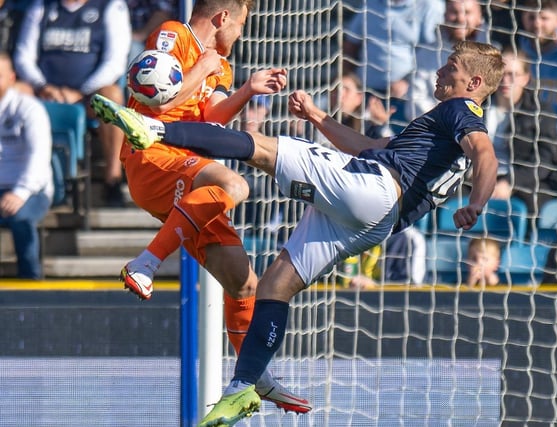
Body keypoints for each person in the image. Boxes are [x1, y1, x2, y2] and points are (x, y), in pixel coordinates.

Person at [90, 39, 504, 426]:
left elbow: (485, 154)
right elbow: (367, 146)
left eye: (451, 67)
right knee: (275, 285)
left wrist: (476, 204)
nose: (440, 72)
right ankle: (242, 388)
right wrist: (318, 117)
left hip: (373, 189)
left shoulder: (461, 110)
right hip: (376, 221)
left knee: (262, 147)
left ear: (474, 82)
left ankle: (154, 131)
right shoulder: (439, 130)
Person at [117, 0, 310, 413]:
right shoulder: (172, 35)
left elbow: (210, 117)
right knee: (233, 182)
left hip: (185, 174)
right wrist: (199, 69)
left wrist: (247, 90)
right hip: (152, 157)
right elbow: (159, 104)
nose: (240, 35)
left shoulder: (221, 66)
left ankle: (253, 375)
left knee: (244, 282)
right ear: (222, 18)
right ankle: (146, 262)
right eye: (240, 25)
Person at [13, 0, 131, 207]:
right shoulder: (42, 6)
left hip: (88, 94)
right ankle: (13, 176)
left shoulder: (111, 6)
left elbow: (115, 62)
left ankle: (112, 179)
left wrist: (82, 91)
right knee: (12, 92)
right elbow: (23, 57)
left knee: (112, 96)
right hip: (44, 91)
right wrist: (43, 86)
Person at [343, 0, 445, 133]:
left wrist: (408, 80)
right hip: (367, 92)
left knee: (398, 140)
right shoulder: (371, 4)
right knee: (361, 139)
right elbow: (351, 43)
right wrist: (348, 76)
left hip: (405, 96)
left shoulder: (429, 6)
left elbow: (431, 53)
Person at [485, 47, 557, 211]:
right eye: (501, 73)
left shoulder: (540, 112)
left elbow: (545, 160)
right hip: (478, 177)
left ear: (526, 78)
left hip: (522, 181)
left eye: (513, 75)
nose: (506, 81)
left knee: (530, 205)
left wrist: (509, 182)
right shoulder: (478, 107)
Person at [0, 52, 53, 279]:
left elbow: (39, 157)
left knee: (20, 218)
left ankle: (30, 281)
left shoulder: (30, 109)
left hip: (32, 190)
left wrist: (19, 193)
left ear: (12, 78)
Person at [407, 0, 490, 122]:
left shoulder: (493, 50)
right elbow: (415, 101)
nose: (460, 19)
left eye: (467, 12)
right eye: (454, 12)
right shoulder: (426, 53)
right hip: (437, 130)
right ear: (445, 14)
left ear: (479, 15)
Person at [126, 0, 179, 64]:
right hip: (125, 35)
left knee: (134, 47)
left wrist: (141, 35)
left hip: (154, 45)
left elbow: (164, 13)